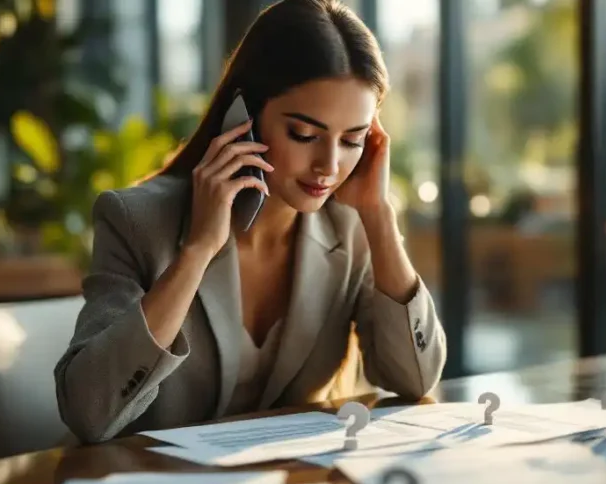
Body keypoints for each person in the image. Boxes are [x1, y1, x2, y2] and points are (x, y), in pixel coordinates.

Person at [54, 0, 447, 443]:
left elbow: (417, 379)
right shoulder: (137, 221)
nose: (329, 165)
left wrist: (378, 216)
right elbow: (88, 412)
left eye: (352, 140)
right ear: (244, 118)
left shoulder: (351, 226)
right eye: (304, 135)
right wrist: (196, 252)